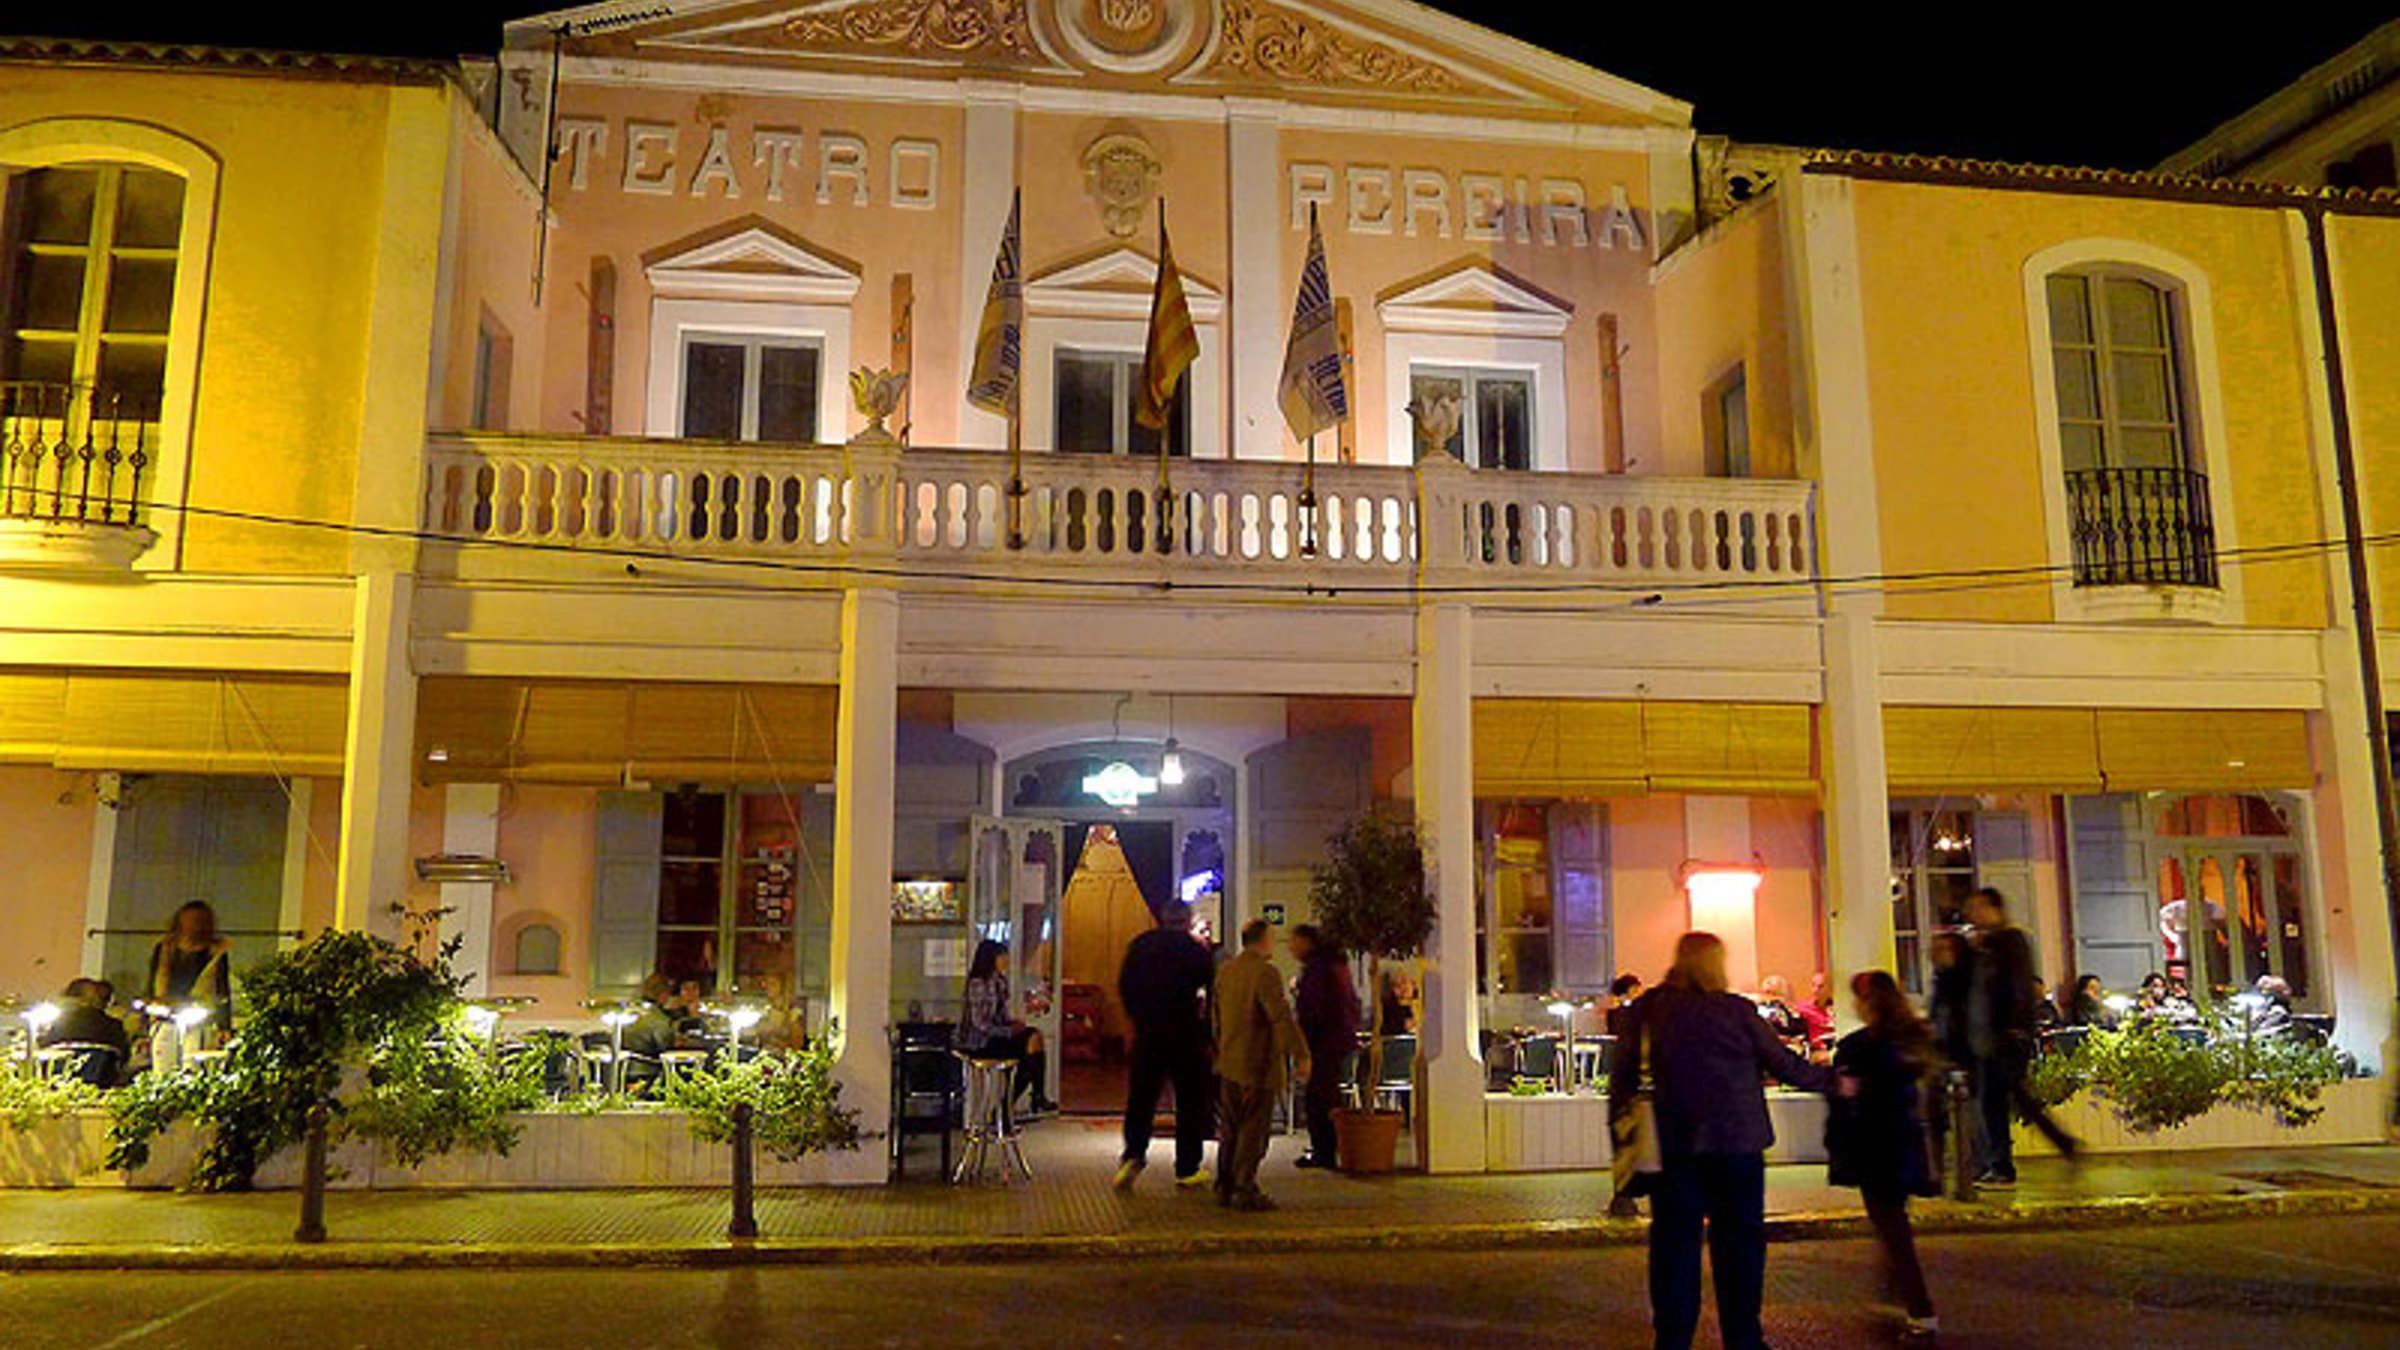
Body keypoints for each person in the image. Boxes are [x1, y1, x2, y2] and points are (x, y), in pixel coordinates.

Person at [1610, 931, 1833, 1350]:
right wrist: (1836, 1082)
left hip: (1674, 1148)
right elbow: (1784, 1065)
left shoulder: (1646, 1011)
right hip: (1737, 1146)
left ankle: (1673, 1340)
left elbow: (1620, 1084)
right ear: (1716, 965)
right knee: (1741, 1249)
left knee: (1675, 1250)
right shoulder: (1738, 1012)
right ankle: (1743, 1337)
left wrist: (1622, 1165)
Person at [1827, 970, 1942, 1344]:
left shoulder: (1858, 1047)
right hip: (1904, 1140)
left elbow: (1844, 1096)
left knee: (1892, 1228)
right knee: (1894, 1223)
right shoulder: (1913, 1040)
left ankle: (1921, 1310)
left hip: (1871, 1145)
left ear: (1867, 1002)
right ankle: (1894, 1295)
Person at [1965, 887, 2077, 1186]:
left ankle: (2002, 1165)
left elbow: (2016, 985)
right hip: (1992, 1037)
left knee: (1999, 1100)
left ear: (1993, 908)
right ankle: (2056, 1144)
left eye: (1977, 908)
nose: (1972, 915)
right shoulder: (1989, 943)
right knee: (2006, 1098)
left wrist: (2015, 1027)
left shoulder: (2010, 940)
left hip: (2005, 1036)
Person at [1114, 902, 1218, 1190]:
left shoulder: (1141, 946)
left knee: (1141, 1098)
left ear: (1162, 918)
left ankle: (1133, 1153)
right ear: (1186, 922)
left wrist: (1136, 1017)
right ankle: (1187, 1167)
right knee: (1190, 1101)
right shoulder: (1196, 951)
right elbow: (1212, 992)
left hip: (1148, 1032)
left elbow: (1124, 986)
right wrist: (1209, 1032)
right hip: (1185, 1033)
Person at [1212, 919, 1306, 1211]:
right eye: (1272, 937)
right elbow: (1280, 1017)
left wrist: (1221, 1048)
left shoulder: (1226, 971)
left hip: (1228, 1062)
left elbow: (1215, 1018)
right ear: (1262, 940)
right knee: (1253, 1130)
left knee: (1230, 1127)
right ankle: (1244, 1186)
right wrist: (1300, 1054)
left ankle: (1224, 1184)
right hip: (1257, 1064)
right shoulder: (1265, 974)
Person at [1290, 923, 1361, 1171]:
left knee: (1318, 1098)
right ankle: (1326, 1149)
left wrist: (1303, 1043)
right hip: (1337, 1039)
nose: (1290, 946)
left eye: (1295, 941)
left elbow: (1312, 1010)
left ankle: (1324, 1151)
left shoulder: (1317, 970)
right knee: (1327, 1095)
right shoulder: (1335, 966)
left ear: (1308, 942)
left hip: (1323, 1042)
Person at [959, 939, 1057, 1116]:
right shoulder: (978, 983)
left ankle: (1022, 1101)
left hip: (997, 1035)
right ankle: (1016, 1104)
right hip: (981, 1042)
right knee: (1030, 1048)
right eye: (1002, 957)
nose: (1006, 961)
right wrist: (1008, 1031)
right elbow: (979, 1023)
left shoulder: (1000, 982)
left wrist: (1012, 1024)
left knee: (1033, 1044)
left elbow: (1000, 1016)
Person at [149, 901, 233, 1028]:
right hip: (164, 1013)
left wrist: (224, 1025)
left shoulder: (215, 952)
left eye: (200, 921)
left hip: (199, 1016)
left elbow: (222, 990)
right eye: (191, 920)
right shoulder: (165, 949)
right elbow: (152, 983)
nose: (196, 926)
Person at [42, 977, 132, 1085]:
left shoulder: (57, 1024)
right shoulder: (113, 1025)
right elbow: (124, 1057)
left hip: (57, 1084)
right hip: (102, 1085)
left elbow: (43, 1052)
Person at [1378, 968, 1418, 1036]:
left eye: (1404, 982)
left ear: (1413, 984)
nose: (1402, 988)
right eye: (1396, 985)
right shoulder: (1387, 1008)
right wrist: (1403, 1026)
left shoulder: (1425, 1002)